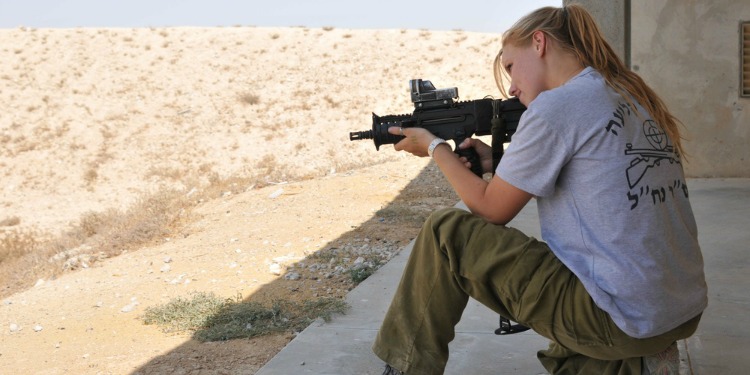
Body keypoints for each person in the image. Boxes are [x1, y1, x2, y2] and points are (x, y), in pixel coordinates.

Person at [372, 4, 708, 375]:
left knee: (445, 233)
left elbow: (490, 210)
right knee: (570, 350)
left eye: (512, 67)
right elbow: (594, 174)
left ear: (539, 42)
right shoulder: (629, 96)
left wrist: (435, 148)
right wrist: (494, 165)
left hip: (619, 314)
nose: (512, 87)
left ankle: (404, 368)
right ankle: (636, 359)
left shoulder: (557, 106)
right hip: (674, 310)